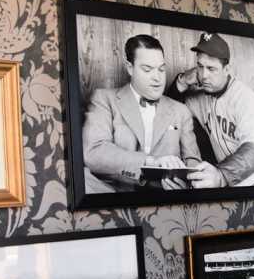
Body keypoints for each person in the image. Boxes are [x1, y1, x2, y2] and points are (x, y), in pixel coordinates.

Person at [82, 34, 201, 193]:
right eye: (147, 69)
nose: (157, 78)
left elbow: (193, 162)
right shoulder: (104, 99)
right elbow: (93, 153)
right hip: (114, 196)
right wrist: (150, 162)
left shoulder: (181, 111)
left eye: (161, 69)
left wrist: (187, 185)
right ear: (130, 68)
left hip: (165, 200)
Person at [168, 32, 254, 188]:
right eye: (200, 66)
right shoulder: (200, 97)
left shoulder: (244, 98)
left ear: (227, 69)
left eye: (211, 68)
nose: (204, 75)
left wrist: (221, 175)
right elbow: (170, 110)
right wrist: (182, 81)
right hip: (227, 185)